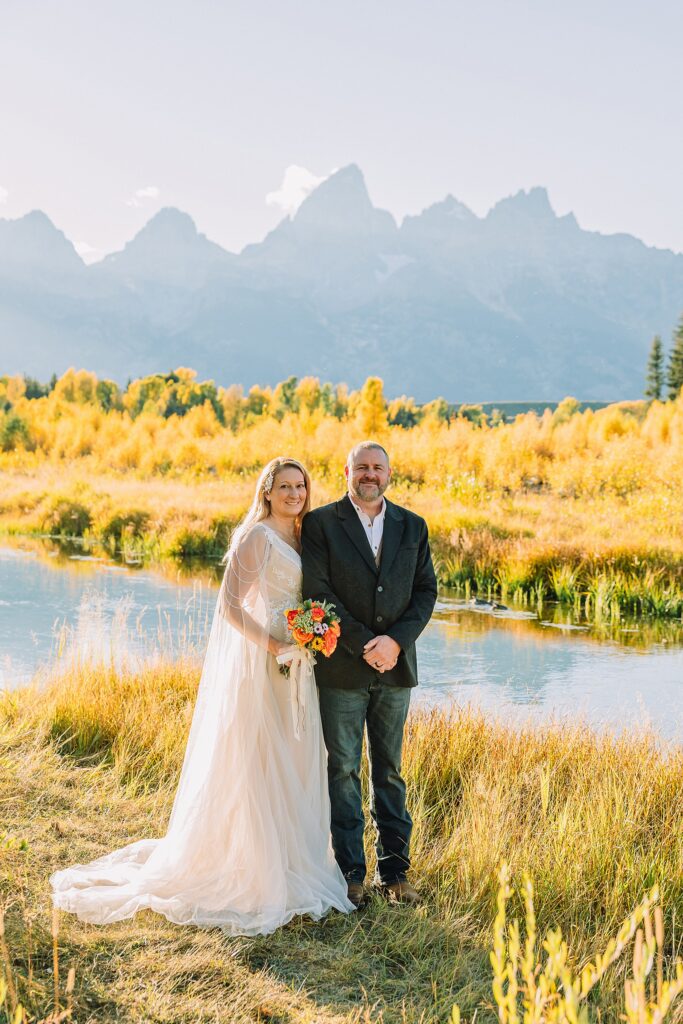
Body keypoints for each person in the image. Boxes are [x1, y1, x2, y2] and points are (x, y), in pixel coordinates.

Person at [51, 457, 353, 935]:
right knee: (258, 762)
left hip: (300, 664)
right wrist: (275, 643)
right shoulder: (256, 537)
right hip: (264, 662)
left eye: (301, 485)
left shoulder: (304, 535)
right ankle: (257, 871)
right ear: (267, 491)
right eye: (285, 486)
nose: (295, 493)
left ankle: (295, 859)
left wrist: (312, 637)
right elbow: (230, 607)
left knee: (295, 758)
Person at [301, 441, 437, 908]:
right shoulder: (320, 523)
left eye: (378, 468)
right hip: (341, 669)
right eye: (362, 467)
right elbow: (316, 592)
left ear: (390, 473)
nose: (370, 475)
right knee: (342, 770)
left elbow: (425, 592)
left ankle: (395, 873)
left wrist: (395, 642)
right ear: (347, 471)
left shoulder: (413, 526)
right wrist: (365, 644)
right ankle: (350, 875)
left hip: (397, 669)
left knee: (390, 772)